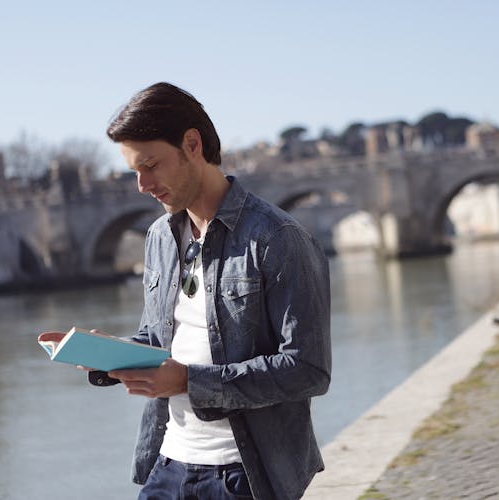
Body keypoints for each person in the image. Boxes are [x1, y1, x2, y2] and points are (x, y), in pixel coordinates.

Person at [99, 82, 330, 500]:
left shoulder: (278, 238)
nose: (141, 185)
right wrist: (107, 355)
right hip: (167, 462)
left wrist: (190, 381)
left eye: (150, 164)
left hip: (244, 474)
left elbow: (307, 369)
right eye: (133, 170)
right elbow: (159, 340)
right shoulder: (159, 237)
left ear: (192, 144)